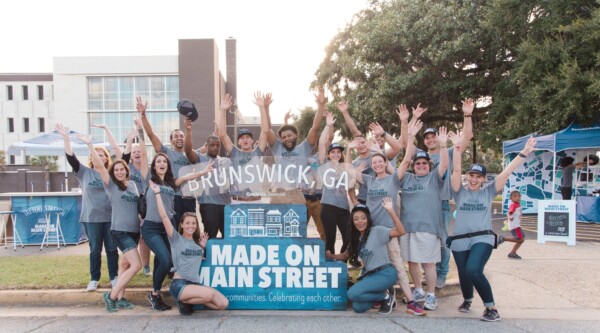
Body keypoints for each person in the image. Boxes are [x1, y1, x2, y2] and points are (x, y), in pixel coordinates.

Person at [448, 132, 536, 322]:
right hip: (460, 240)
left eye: (478, 176)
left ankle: (491, 309)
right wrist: (456, 148)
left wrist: (524, 152)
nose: (473, 179)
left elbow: (507, 171)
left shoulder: (488, 192)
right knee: (464, 275)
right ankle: (468, 299)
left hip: (483, 238)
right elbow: (455, 170)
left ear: (483, 179)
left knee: (473, 270)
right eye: (471, 175)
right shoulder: (459, 192)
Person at [354, 117, 426, 316]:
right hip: (370, 233)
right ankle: (385, 296)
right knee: (372, 266)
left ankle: (411, 302)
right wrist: (350, 150)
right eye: (374, 162)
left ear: (385, 163)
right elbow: (348, 171)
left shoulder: (394, 179)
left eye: (379, 161)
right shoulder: (369, 180)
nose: (376, 164)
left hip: (388, 231)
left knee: (396, 264)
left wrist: (410, 137)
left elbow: (406, 157)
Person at [79, 124, 148, 312]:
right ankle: (110, 296)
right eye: (115, 169)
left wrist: (134, 137)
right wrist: (90, 146)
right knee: (136, 265)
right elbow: (100, 165)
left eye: (121, 169)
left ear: (126, 170)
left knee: (125, 264)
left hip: (134, 230)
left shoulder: (133, 185)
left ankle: (121, 298)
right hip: (120, 230)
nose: (119, 172)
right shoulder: (111, 185)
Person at [142, 151, 216, 311]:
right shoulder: (149, 181)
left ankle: (155, 294)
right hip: (151, 228)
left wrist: (204, 171)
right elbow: (142, 152)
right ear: (154, 166)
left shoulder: (171, 184)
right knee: (167, 260)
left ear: (168, 166)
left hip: (168, 227)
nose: (161, 164)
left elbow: (188, 178)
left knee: (161, 261)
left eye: (164, 162)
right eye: (158, 161)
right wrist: (139, 133)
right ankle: (154, 295)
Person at [415, 99, 474, 289]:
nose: (431, 140)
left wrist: (467, 114)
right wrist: (412, 120)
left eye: (433, 137)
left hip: (441, 203)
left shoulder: (447, 152)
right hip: (423, 205)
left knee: (442, 240)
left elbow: (466, 137)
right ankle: (429, 271)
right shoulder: (420, 157)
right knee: (425, 240)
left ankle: (441, 273)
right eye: (427, 138)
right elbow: (405, 145)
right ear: (424, 141)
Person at [150, 176, 229, 316]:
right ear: (181, 224)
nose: (191, 226)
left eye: (193, 223)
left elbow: (197, 257)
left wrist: (203, 246)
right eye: (187, 223)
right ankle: (183, 300)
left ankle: (186, 301)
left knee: (223, 304)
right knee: (209, 296)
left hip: (194, 284)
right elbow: (163, 217)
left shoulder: (198, 244)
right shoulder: (176, 238)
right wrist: (157, 194)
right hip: (179, 284)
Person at [55, 123, 118, 292]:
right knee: (95, 250)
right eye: (96, 155)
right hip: (92, 218)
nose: (100, 157)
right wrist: (66, 138)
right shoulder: (84, 172)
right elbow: (71, 158)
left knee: (112, 249)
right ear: (91, 157)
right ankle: (94, 279)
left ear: (106, 158)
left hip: (111, 218)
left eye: (103, 155)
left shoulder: (112, 174)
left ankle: (114, 277)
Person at [398, 127, 449, 311]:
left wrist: (443, 145)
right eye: (418, 164)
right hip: (407, 228)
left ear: (429, 165)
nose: (421, 166)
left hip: (428, 228)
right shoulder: (407, 178)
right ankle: (418, 289)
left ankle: (431, 295)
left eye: (424, 164)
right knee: (411, 261)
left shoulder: (434, 178)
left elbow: (444, 164)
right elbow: (400, 163)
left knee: (428, 263)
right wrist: (410, 137)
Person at [326, 198, 406, 314]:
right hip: (370, 276)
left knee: (352, 293)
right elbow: (345, 256)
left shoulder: (377, 231)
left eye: (363, 218)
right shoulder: (356, 239)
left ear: (368, 219)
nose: (360, 221)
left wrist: (390, 211)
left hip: (385, 273)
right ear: (352, 222)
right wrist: (331, 256)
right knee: (358, 307)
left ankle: (384, 296)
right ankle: (386, 296)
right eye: (356, 219)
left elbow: (401, 231)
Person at [137, 96, 194, 231]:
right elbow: (151, 135)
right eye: (176, 136)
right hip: (172, 196)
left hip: (189, 198)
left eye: (181, 136)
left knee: (190, 230)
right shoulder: (165, 152)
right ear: (171, 140)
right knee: (174, 231)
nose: (179, 138)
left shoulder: (191, 155)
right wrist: (143, 116)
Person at [217, 92, 270, 203]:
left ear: (252, 140)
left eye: (247, 137)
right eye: (242, 138)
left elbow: (265, 131)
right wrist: (222, 110)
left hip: (256, 201)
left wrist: (261, 108)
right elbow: (222, 134)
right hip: (237, 201)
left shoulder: (258, 152)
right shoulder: (234, 153)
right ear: (239, 142)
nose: (245, 139)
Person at [184, 121, 232, 239]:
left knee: (229, 237)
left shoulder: (227, 161)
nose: (215, 147)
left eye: (218, 145)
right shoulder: (200, 158)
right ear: (207, 145)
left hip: (226, 204)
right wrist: (189, 131)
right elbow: (188, 151)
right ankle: (207, 257)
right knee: (209, 237)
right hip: (209, 204)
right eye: (212, 145)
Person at [317, 112, 353, 255]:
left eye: (338, 152)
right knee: (330, 240)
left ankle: (342, 264)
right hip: (328, 207)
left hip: (344, 208)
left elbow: (351, 183)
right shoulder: (324, 164)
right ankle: (330, 267)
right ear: (328, 154)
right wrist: (328, 125)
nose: (336, 154)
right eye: (333, 152)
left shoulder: (344, 167)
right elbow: (321, 143)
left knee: (348, 239)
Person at [120, 122, 152, 276]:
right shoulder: (127, 169)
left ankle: (146, 267)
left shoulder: (149, 167)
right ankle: (130, 264)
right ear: (131, 155)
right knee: (134, 238)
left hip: (147, 206)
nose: (137, 153)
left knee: (145, 239)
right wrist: (129, 140)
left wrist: (140, 132)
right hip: (131, 207)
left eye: (139, 151)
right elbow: (122, 160)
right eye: (134, 152)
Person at [502, 190, 525, 259]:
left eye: (519, 196)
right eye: (515, 196)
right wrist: (511, 217)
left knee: (521, 240)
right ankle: (503, 239)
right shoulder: (514, 204)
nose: (517, 197)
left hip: (516, 225)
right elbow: (510, 212)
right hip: (515, 226)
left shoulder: (518, 204)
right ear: (511, 198)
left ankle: (512, 252)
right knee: (521, 240)